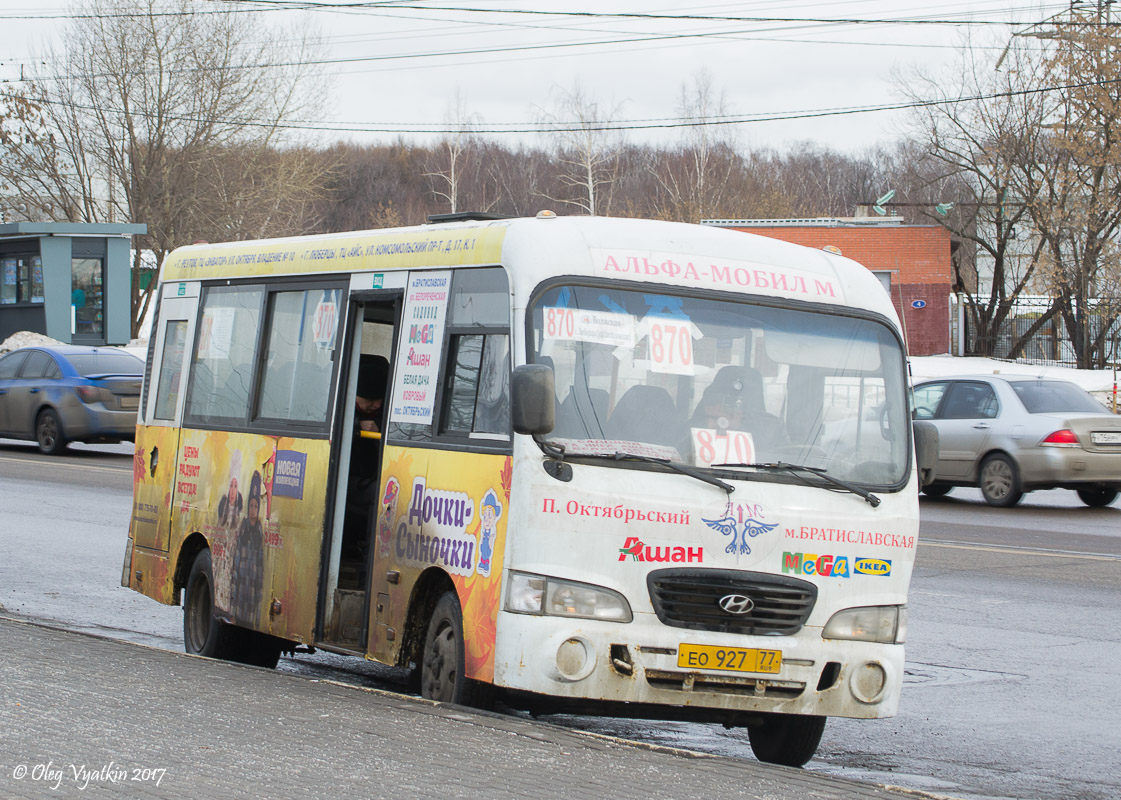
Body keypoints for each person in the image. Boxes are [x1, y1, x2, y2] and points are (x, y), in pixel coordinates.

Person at [230, 470, 264, 628]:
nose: (253, 510)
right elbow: (235, 569)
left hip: (251, 601)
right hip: (241, 598)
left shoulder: (259, 536)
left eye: (256, 506)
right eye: (251, 506)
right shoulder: (243, 532)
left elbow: (260, 578)